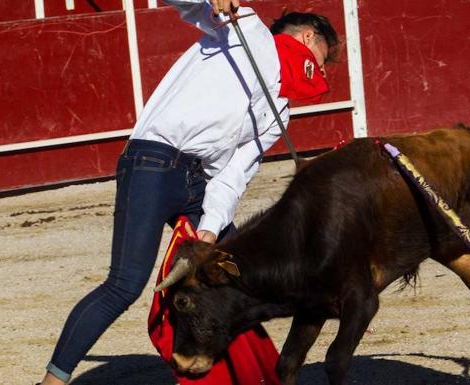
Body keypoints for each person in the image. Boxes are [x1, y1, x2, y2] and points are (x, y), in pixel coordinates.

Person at [37, 0, 338, 383]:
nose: (322, 70)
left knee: (231, 273)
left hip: (199, 183)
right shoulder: (245, 27)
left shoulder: (280, 109)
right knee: (124, 284)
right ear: (307, 35)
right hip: (153, 163)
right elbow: (184, 4)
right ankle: (51, 382)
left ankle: (233, 373)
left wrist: (211, 228)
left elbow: (233, 174)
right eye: (322, 58)